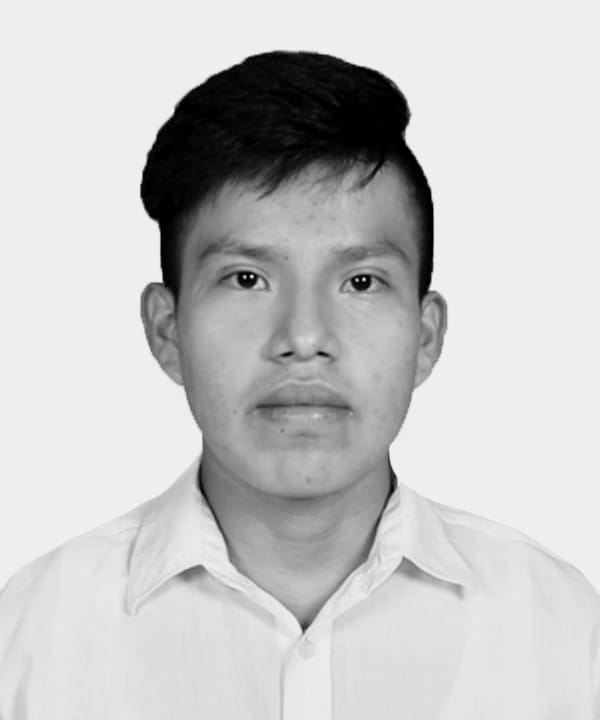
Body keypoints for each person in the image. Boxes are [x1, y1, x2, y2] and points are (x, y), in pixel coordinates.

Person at [0, 50, 598, 719]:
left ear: (426, 336)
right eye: (247, 279)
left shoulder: (562, 633)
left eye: (361, 282)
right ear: (167, 330)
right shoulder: (28, 643)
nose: (305, 336)